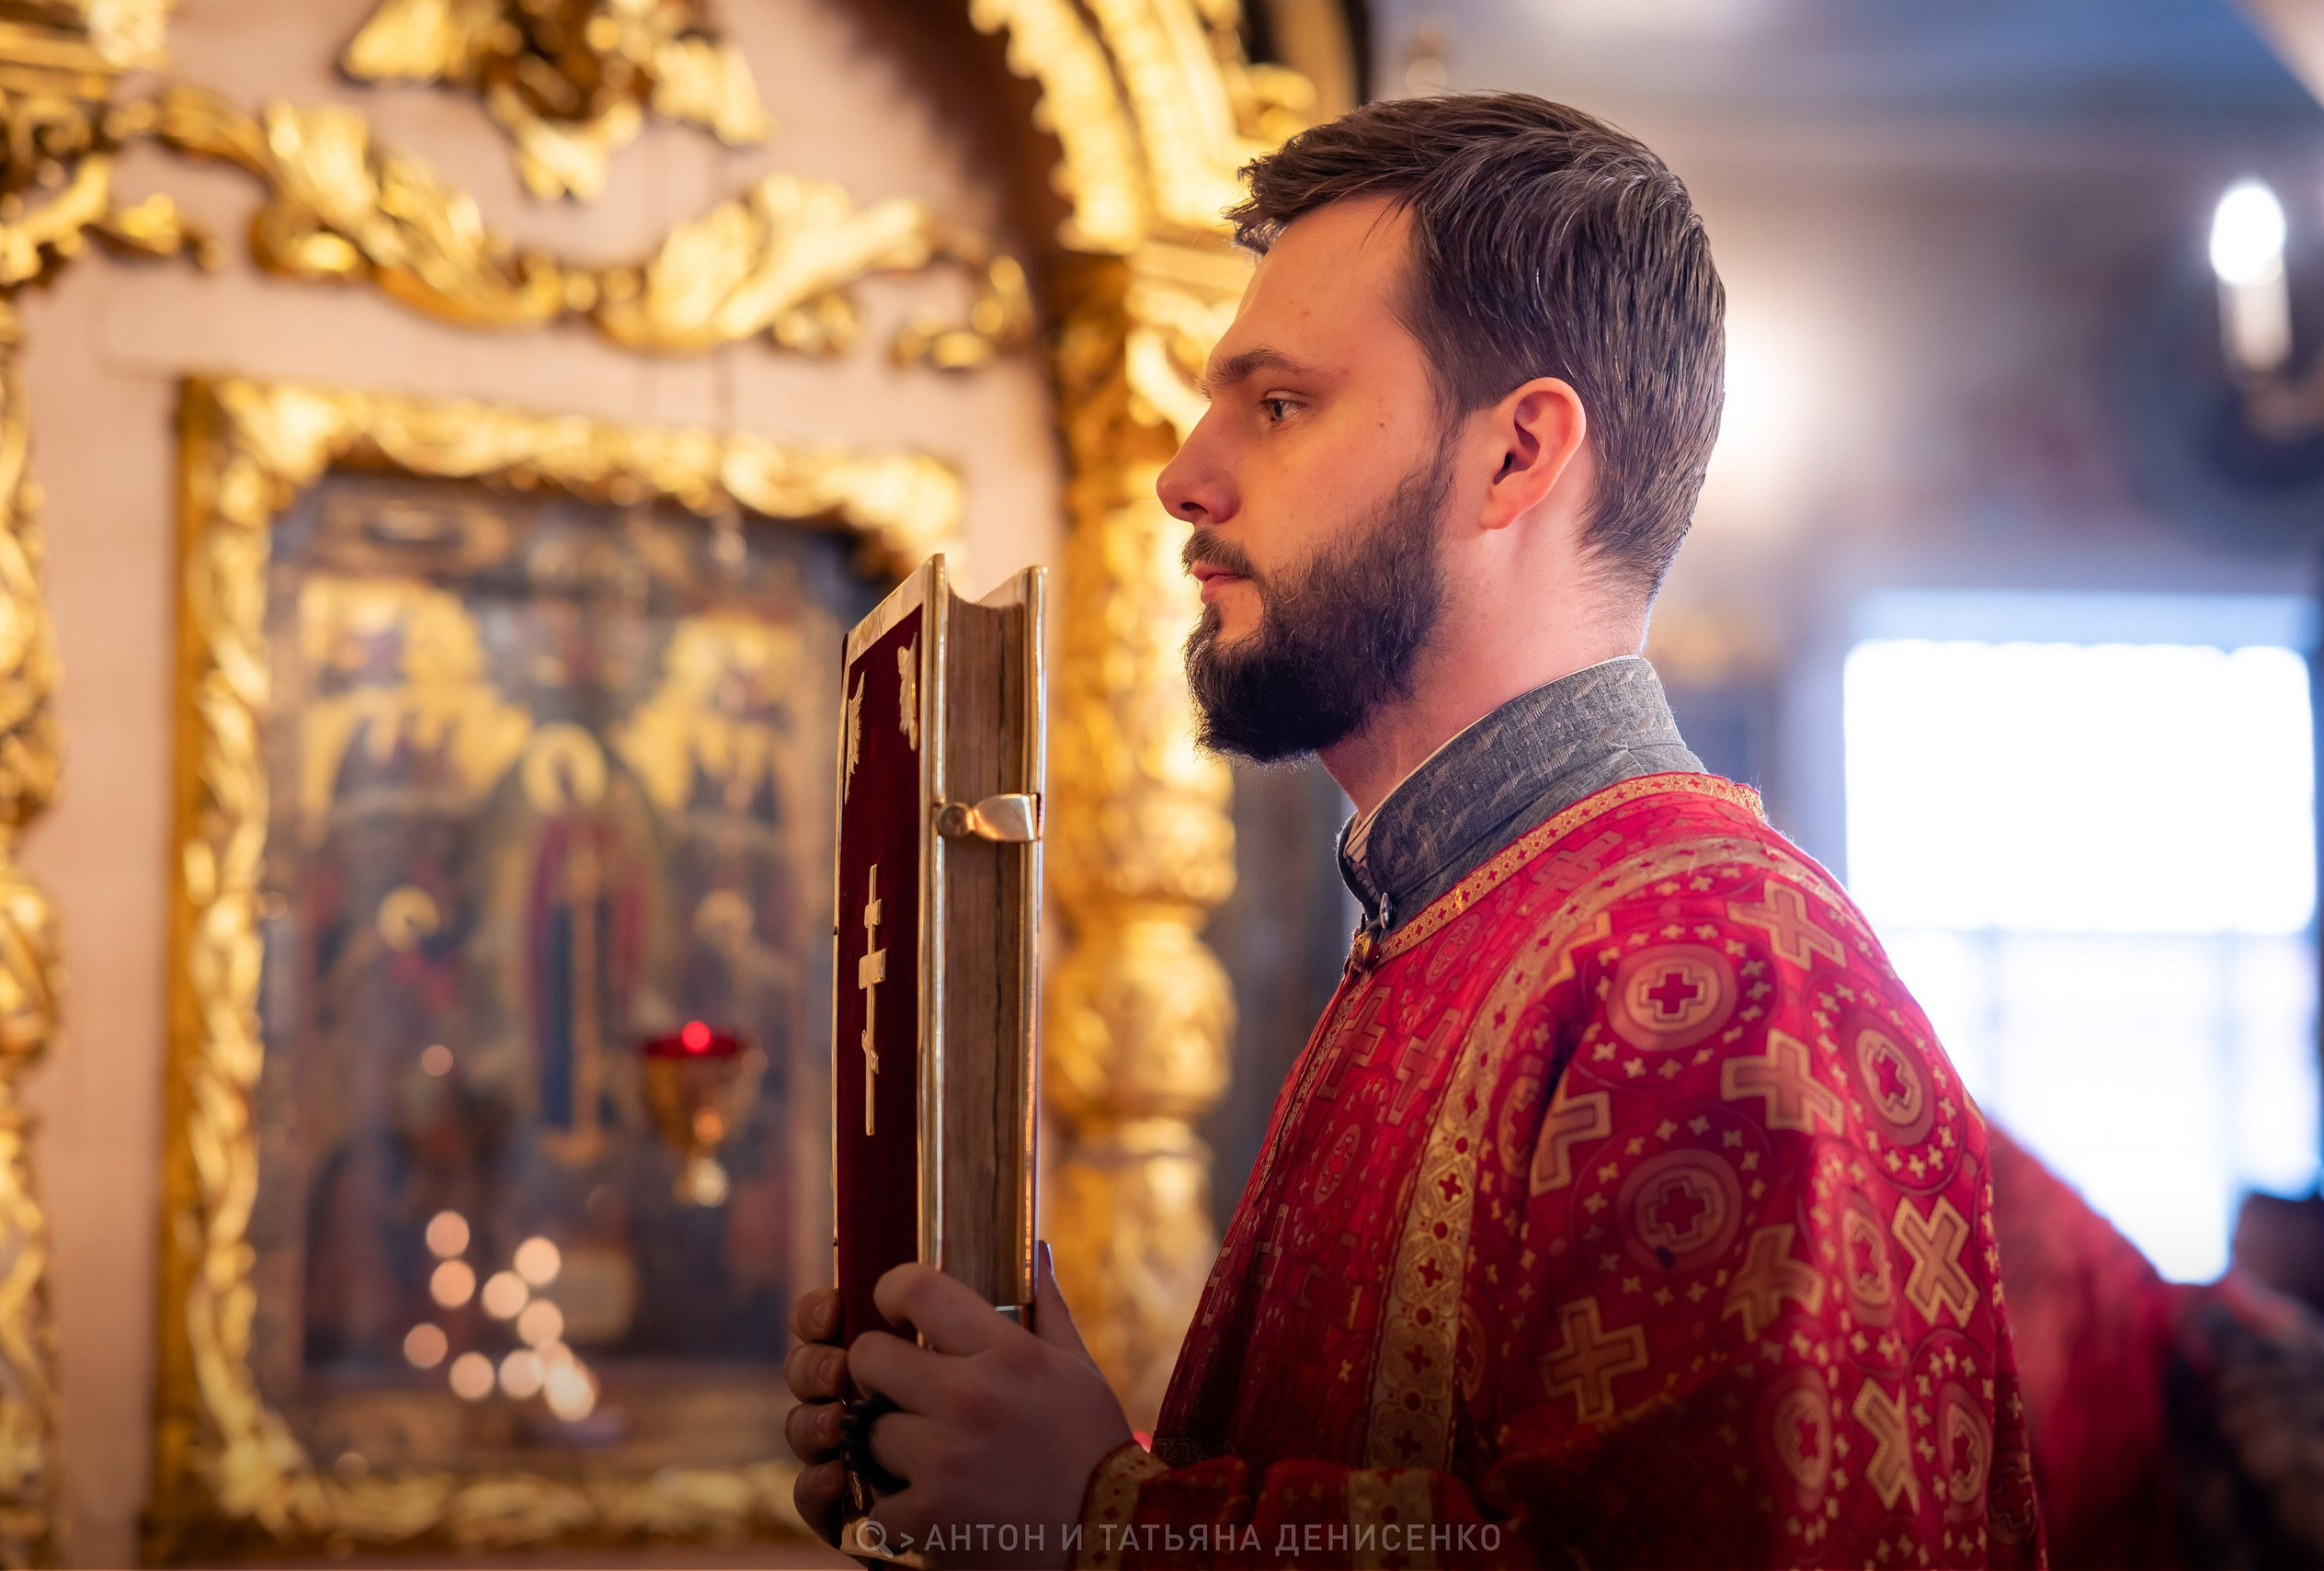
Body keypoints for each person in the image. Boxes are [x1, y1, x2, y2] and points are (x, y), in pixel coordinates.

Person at [785, 91, 2045, 1569]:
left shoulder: (1723, 971)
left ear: (1516, 457)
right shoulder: (1439, 925)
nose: (1183, 477)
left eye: (1278, 402)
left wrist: (1099, 1516)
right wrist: (996, 1451)